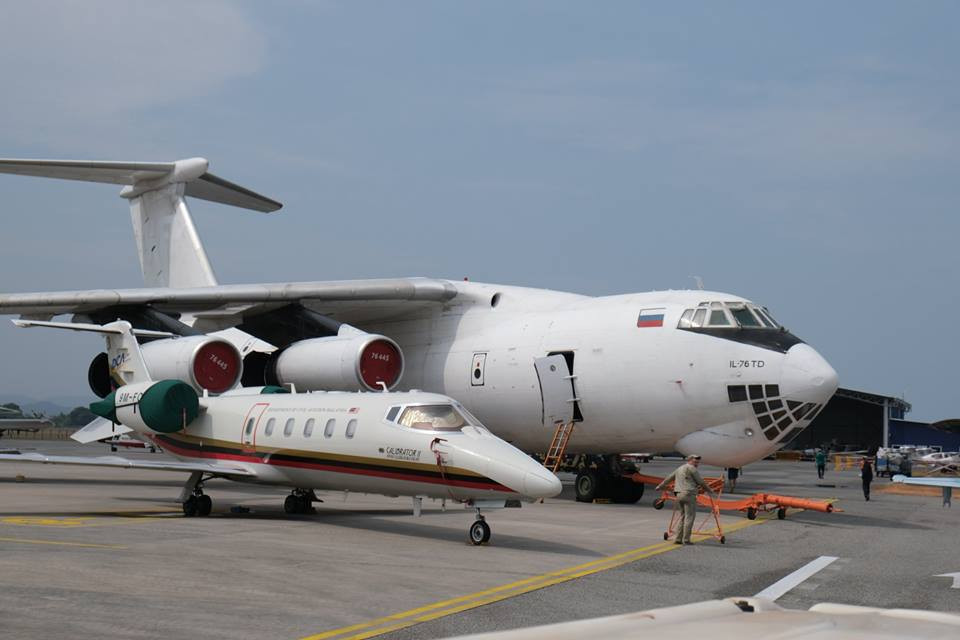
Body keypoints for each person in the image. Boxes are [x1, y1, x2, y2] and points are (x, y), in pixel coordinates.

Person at [656, 454, 715, 545]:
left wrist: (660, 486)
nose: (697, 464)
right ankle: (686, 539)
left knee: (682, 516)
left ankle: (678, 539)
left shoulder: (679, 468)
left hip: (679, 494)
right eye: (695, 462)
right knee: (689, 517)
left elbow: (669, 478)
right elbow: (701, 482)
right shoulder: (691, 468)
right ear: (690, 460)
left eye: (698, 462)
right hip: (689, 494)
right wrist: (709, 490)